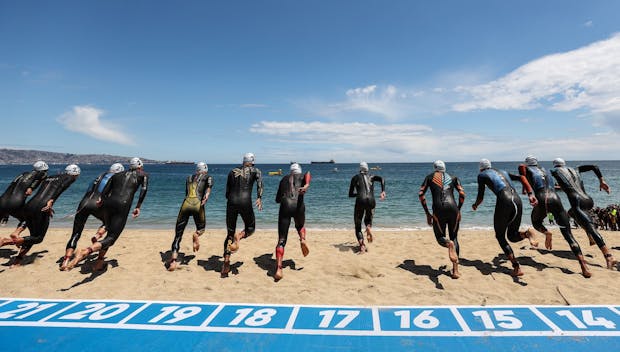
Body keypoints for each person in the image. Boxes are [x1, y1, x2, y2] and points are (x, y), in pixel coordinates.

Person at [67, 157, 148, 271]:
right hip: (122, 206)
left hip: (108, 204)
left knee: (108, 229)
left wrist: (101, 201)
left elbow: (105, 191)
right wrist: (138, 206)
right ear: (140, 166)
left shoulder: (116, 175)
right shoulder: (143, 174)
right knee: (111, 237)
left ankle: (99, 262)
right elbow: (143, 190)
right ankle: (86, 251)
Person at [517, 156, 591, 277]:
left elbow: (522, 171)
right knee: (568, 235)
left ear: (527, 164)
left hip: (542, 198)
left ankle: (547, 233)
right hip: (556, 199)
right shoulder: (546, 170)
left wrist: (527, 191)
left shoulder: (525, 168)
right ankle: (584, 266)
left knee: (535, 222)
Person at [0, 164, 80, 268]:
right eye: (77, 175)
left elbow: (42, 190)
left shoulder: (50, 176)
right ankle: (7, 241)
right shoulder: (70, 178)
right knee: (38, 238)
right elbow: (60, 188)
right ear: (75, 173)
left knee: (32, 236)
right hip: (42, 208)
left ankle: (17, 261)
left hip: (29, 205)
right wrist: (51, 201)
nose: (77, 177)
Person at [472, 159, 538, 277]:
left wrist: (476, 204)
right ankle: (527, 233)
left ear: (480, 168)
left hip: (504, 200)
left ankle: (516, 267)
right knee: (512, 236)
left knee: (500, 236)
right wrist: (530, 194)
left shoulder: (481, 175)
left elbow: (480, 196)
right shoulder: (502, 171)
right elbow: (522, 178)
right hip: (517, 200)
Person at [550, 158, 617, 270]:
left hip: (577, 202)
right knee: (571, 213)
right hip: (588, 200)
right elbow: (594, 166)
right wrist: (601, 181)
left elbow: (546, 179)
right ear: (564, 164)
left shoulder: (555, 172)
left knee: (590, 228)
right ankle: (590, 237)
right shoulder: (575, 169)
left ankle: (609, 256)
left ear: (555, 166)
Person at [60, 163, 125, 271]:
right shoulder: (116, 179)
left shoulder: (100, 175)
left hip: (84, 203)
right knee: (110, 226)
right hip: (97, 204)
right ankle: (98, 238)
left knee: (76, 233)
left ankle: (65, 261)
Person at [418, 160, 465, 279]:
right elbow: (462, 195)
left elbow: (421, 194)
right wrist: (458, 209)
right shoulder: (454, 178)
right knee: (454, 237)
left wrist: (428, 213)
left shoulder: (429, 177)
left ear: (435, 168)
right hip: (453, 208)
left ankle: (448, 244)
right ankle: (455, 270)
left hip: (439, 209)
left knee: (440, 237)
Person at [221, 153, 263, 277]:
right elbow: (260, 185)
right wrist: (259, 198)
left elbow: (227, 193)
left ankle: (226, 262)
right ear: (253, 162)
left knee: (229, 232)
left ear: (243, 161)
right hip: (246, 202)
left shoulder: (232, 171)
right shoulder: (256, 171)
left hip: (231, 202)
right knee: (250, 228)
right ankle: (238, 238)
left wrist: (232, 202)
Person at [168, 161, 213, 271]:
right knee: (201, 228)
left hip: (185, 204)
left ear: (196, 170)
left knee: (178, 234)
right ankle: (196, 234)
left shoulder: (188, 178)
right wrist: (206, 196)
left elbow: (186, 192)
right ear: (205, 169)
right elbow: (208, 188)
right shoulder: (208, 177)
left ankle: (173, 261)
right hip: (198, 204)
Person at [273, 162, 311, 280]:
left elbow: (277, 199)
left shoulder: (283, 179)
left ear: (290, 171)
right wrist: (306, 185)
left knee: (282, 239)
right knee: (300, 226)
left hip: (285, 205)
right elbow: (308, 173)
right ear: (299, 171)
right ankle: (303, 239)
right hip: (298, 205)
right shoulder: (303, 177)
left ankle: (279, 269)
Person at [0, 160, 49, 237]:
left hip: (2, 201)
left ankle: (5, 217)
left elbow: (12, 185)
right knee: (27, 219)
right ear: (43, 170)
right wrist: (32, 188)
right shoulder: (42, 174)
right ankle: (16, 233)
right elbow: (39, 179)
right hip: (15, 203)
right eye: (46, 170)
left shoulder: (23, 174)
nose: (46, 172)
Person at [348, 161, 385, 253]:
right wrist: (383, 191)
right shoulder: (372, 176)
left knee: (358, 226)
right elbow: (382, 179)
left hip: (360, 201)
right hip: (372, 201)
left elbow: (350, 194)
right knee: (368, 219)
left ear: (359, 169)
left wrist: (359, 194)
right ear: (367, 169)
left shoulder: (355, 178)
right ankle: (368, 227)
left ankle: (362, 246)